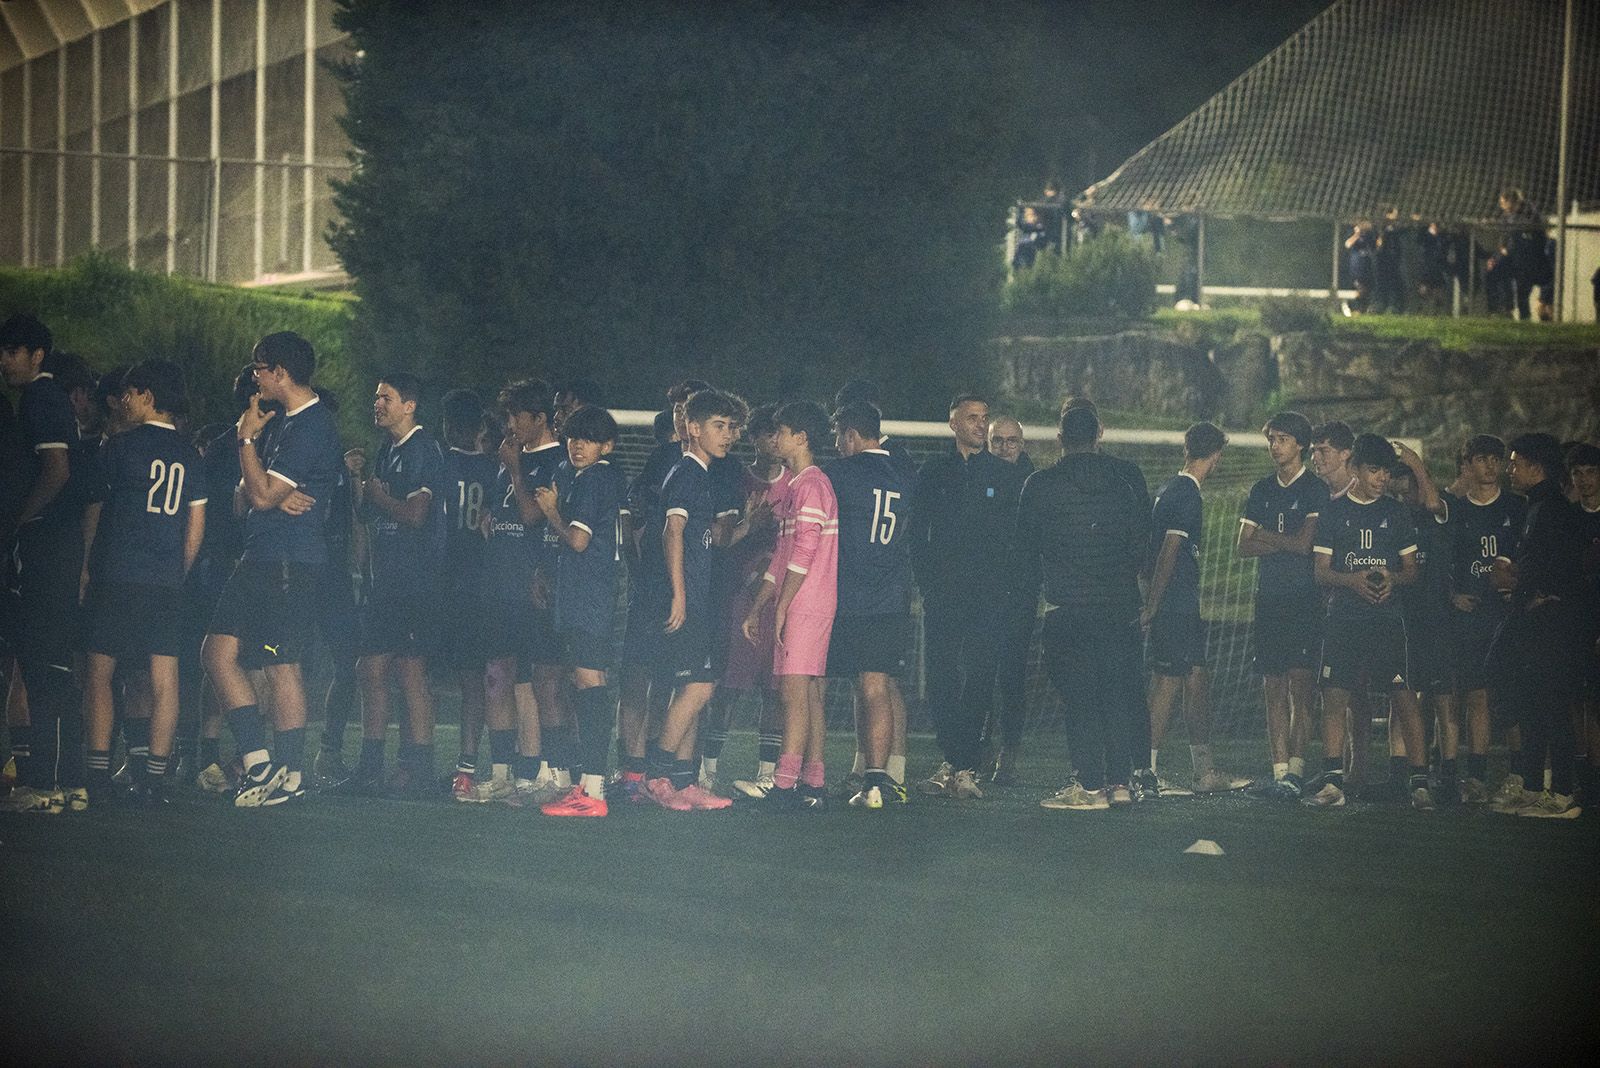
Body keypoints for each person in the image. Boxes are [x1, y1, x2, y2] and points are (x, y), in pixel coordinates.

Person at [201, 331, 344, 808]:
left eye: (260, 367)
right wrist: (265, 493)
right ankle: (261, 762)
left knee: (282, 664)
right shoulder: (281, 422)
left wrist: (246, 441)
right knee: (217, 652)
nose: (255, 375)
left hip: (289, 560)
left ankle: (290, 774)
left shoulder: (312, 425)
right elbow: (244, 501)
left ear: (280, 372)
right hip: (261, 554)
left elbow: (258, 495)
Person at [77, 360, 206, 806]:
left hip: (117, 574)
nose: (125, 401)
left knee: (99, 670)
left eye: (131, 393)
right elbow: (195, 528)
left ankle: (96, 775)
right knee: (164, 676)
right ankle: (154, 778)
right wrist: (176, 572)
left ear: (148, 396)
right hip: (165, 580)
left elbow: (97, 510)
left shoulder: (120, 446)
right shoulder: (191, 454)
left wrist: (87, 567)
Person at [1022, 405, 1146, 811]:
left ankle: (1090, 786)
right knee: (1116, 693)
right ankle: (1120, 783)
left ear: (1060, 438)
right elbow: (1140, 546)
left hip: (1068, 608)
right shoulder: (1125, 481)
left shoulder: (1040, 485)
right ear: (1099, 435)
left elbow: (1026, 549)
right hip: (1118, 607)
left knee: (1080, 698)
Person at [907, 393, 1025, 801]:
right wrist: (927, 584)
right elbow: (916, 534)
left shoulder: (1004, 476)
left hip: (989, 598)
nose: (980, 424)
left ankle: (962, 765)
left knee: (979, 677)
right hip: (944, 596)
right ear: (954, 423)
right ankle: (955, 760)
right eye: (972, 418)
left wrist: (1007, 588)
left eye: (984, 417)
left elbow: (1016, 541)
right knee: (941, 678)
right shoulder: (933, 472)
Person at [1307, 433, 1429, 809]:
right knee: (1335, 696)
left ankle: (1419, 781)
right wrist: (1353, 581)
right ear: (1356, 468)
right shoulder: (1332, 511)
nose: (1381, 478)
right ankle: (1332, 781)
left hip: (1388, 621)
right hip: (1344, 619)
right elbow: (1321, 572)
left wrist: (1392, 577)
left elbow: (1412, 572)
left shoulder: (1396, 512)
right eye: (1374, 470)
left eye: (1386, 472)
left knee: (1404, 696)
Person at [0, 315, 88, 814]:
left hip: (45, 548)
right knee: (53, 667)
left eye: (12, 351)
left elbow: (56, 471)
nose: (4, 361)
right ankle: (69, 783)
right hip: (59, 547)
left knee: (40, 666)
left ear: (37, 355)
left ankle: (42, 785)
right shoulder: (49, 400)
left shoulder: (40, 398)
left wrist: (19, 520)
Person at [640, 388, 742, 811]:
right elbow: (672, 531)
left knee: (695, 688)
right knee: (698, 688)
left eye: (732, 427)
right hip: (684, 600)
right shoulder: (686, 473)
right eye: (719, 426)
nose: (729, 435)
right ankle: (657, 777)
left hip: (697, 600)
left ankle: (682, 782)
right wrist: (680, 596)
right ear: (694, 428)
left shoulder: (702, 475)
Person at [349, 373, 446, 797]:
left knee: (410, 673)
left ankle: (419, 769)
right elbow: (376, 515)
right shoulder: (386, 451)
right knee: (369, 669)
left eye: (386, 397)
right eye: (376, 397)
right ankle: (370, 766)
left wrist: (376, 496)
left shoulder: (424, 450)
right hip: (386, 581)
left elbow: (415, 514)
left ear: (410, 405)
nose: (378, 404)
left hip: (416, 582)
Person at [742, 401, 839, 812]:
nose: (775, 438)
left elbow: (804, 548)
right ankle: (812, 782)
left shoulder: (811, 484)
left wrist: (783, 604)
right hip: (806, 600)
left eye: (781, 432)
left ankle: (784, 786)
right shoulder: (796, 486)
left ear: (801, 437)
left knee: (793, 692)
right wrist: (759, 605)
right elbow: (781, 556)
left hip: (807, 602)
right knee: (808, 691)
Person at [1143, 422, 1248, 797]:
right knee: (1167, 681)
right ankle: (1146, 774)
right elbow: (1169, 550)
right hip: (1174, 603)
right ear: (1216, 457)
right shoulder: (1185, 493)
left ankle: (1204, 771)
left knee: (1197, 678)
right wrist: (1154, 603)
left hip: (1182, 602)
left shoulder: (1169, 488)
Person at [1485, 434, 1587, 818]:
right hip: (1537, 619)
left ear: (1535, 467)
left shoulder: (1552, 510)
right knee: (1533, 704)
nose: (1510, 470)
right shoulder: (1537, 507)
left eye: (1515, 463)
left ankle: (1560, 794)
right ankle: (1532, 785)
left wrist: (1522, 585)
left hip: (1551, 623)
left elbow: (1554, 568)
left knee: (1551, 706)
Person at [533, 405, 627, 817]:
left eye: (587, 438)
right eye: (573, 437)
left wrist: (552, 510)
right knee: (586, 683)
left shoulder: (594, 479)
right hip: (588, 596)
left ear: (606, 445)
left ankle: (592, 790)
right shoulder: (594, 479)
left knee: (591, 685)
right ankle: (588, 785)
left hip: (591, 597)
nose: (577, 445)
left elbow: (577, 541)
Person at [823, 401, 912, 809]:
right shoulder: (905, 474)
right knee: (875, 686)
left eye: (840, 437)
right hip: (892, 596)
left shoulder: (839, 473)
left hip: (850, 595)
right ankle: (878, 780)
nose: (838, 445)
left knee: (826, 686)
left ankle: (806, 777)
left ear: (851, 435)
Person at [1237, 412, 1327, 801]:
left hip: (1305, 600)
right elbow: (1243, 545)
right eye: (1272, 439)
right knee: (1273, 686)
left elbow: (1306, 544)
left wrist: (1268, 537)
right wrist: (1284, 539)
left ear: (1301, 445)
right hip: (1269, 600)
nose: (1276, 445)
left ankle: (1297, 769)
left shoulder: (1315, 489)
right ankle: (1279, 774)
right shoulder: (1260, 490)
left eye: (1283, 439)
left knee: (1301, 687)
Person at [1438, 435, 1524, 803]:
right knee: (1476, 696)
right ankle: (1475, 777)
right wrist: (1452, 595)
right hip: (1473, 617)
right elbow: (1442, 563)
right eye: (1481, 459)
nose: (1490, 466)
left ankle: (1523, 775)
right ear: (1468, 465)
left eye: (1495, 459)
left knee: (1513, 697)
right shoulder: (1456, 510)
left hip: (1510, 615)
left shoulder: (1518, 507)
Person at [436, 390, 500, 801]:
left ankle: (428, 763)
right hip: (479, 586)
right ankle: (470, 768)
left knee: (452, 677)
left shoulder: (437, 463)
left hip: (451, 585)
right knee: (482, 680)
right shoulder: (496, 469)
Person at [983, 415, 1037, 784]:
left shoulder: (1034, 483)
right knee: (979, 672)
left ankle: (1009, 753)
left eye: (1011, 441)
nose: (1005, 448)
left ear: (1022, 443)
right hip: (982, 591)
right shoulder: (976, 477)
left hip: (1019, 592)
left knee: (1012, 676)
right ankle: (980, 749)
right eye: (997, 441)